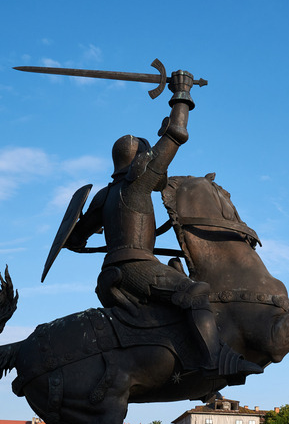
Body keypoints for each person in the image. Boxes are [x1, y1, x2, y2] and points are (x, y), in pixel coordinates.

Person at [64, 69, 260, 384]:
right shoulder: (137, 184)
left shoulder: (103, 196)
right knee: (196, 292)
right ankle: (212, 362)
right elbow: (177, 134)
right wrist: (182, 93)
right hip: (136, 269)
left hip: (109, 274)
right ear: (140, 161)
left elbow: (75, 240)